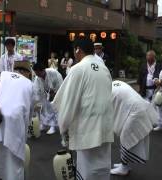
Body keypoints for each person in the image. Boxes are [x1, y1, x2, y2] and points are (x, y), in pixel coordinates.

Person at [52, 38, 114, 180]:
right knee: (102, 166)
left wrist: (63, 127)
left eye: (74, 50)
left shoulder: (78, 69)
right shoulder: (104, 68)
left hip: (87, 126)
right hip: (105, 123)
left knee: (87, 168)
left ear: (78, 50)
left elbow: (68, 101)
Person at [110, 80, 157, 176]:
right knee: (124, 138)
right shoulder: (116, 82)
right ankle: (124, 165)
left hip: (136, 112)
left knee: (125, 138)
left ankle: (124, 167)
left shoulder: (106, 92)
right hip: (138, 107)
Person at [33, 63, 63, 135]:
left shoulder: (54, 73)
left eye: (38, 73)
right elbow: (36, 91)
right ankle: (44, 123)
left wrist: (55, 94)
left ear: (43, 70)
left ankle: (53, 126)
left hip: (56, 91)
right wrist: (36, 103)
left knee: (54, 108)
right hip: (45, 93)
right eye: (36, 73)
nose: (37, 75)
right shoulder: (37, 78)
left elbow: (61, 85)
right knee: (43, 108)